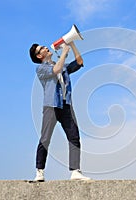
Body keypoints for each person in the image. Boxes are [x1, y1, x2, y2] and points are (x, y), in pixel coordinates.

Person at [29, 41, 90, 181]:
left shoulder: (62, 67)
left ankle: (75, 171)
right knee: (45, 138)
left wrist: (72, 45)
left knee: (74, 136)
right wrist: (63, 53)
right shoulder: (40, 69)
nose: (45, 47)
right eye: (42, 48)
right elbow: (55, 70)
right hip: (51, 106)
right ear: (39, 56)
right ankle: (40, 171)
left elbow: (79, 62)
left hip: (66, 105)